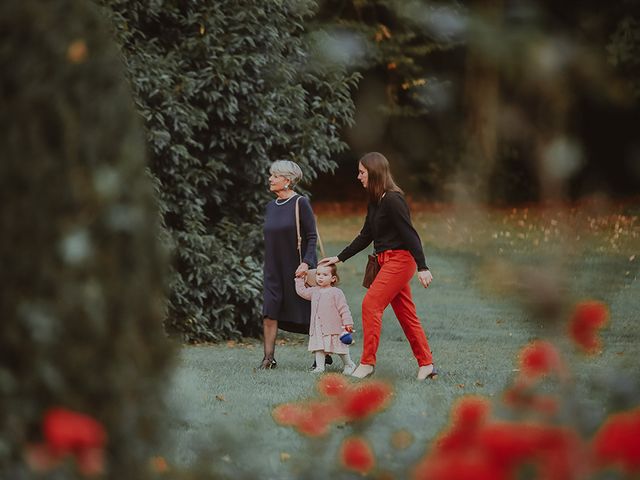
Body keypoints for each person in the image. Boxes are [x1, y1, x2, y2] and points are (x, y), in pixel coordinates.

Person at [321, 152, 437, 381]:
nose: (358, 177)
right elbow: (366, 235)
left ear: (373, 173)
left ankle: (367, 363)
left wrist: (423, 267)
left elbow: (410, 234)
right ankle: (427, 364)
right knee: (406, 315)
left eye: (362, 172)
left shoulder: (394, 199)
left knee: (370, 304)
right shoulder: (375, 200)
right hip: (384, 262)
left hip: (400, 261)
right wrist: (339, 258)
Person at [260, 160, 317, 369]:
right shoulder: (270, 207)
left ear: (287, 180)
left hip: (297, 268)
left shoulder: (300, 203)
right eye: (271, 175)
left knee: (311, 313)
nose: (270, 179)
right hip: (273, 269)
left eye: (275, 176)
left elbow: (311, 236)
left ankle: (322, 355)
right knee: (269, 310)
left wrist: (307, 263)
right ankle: (268, 359)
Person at [294, 264, 357, 374]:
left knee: (340, 348)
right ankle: (320, 367)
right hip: (318, 327)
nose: (320, 277)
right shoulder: (314, 291)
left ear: (333, 278)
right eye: (318, 274)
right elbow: (302, 292)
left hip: (333, 326)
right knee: (319, 347)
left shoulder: (336, 292)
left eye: (324, 274)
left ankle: (349, 364)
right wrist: (299, 279)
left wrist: (348, 323)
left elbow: (344, 309)